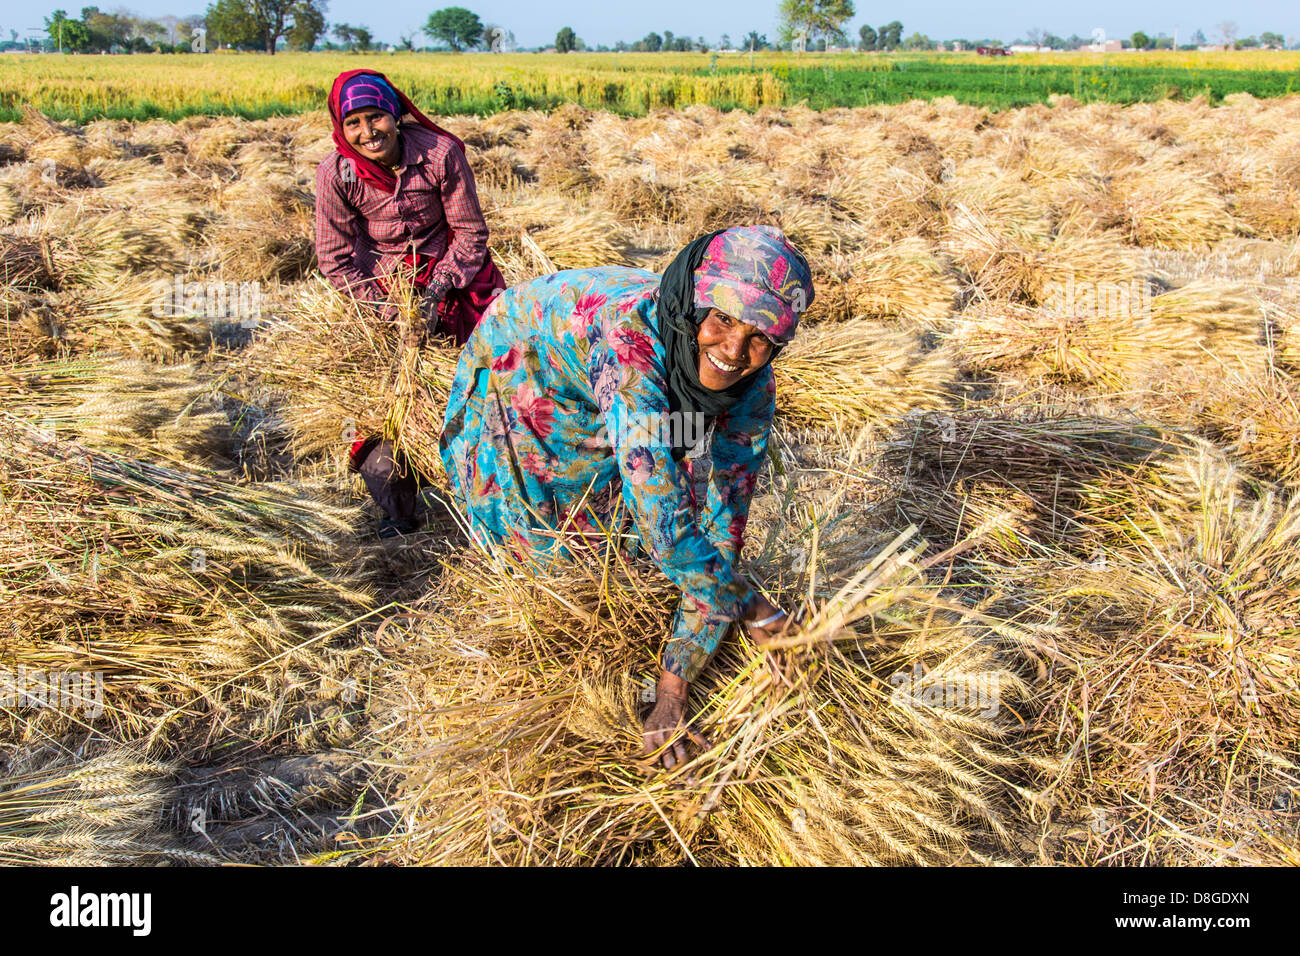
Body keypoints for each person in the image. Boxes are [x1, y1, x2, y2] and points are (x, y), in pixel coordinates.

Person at [439, 225, 813, 769]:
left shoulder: (754, 387)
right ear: (691, 307)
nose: (735, 350)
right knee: (550, 513)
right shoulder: (632, 351)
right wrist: (751, 607)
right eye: (723, 319)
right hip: (528, 353)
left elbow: (723, 523)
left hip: (610, 366)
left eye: (761, 338)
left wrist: (672, 687)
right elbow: (665, 525)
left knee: (650, 484)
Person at [315, 69, 504, 537]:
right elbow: (335, 259)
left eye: (375, 117)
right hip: (380, 296)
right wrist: (387, 310)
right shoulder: (335, 173)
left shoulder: (441, 154)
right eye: (353, 122)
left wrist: (436, 291)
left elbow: (471, 232)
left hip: (456, 282)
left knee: (491, 387)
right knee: (382, 406)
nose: (367, 132)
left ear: (395, 115)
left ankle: (491, 500)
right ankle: (398, 511)